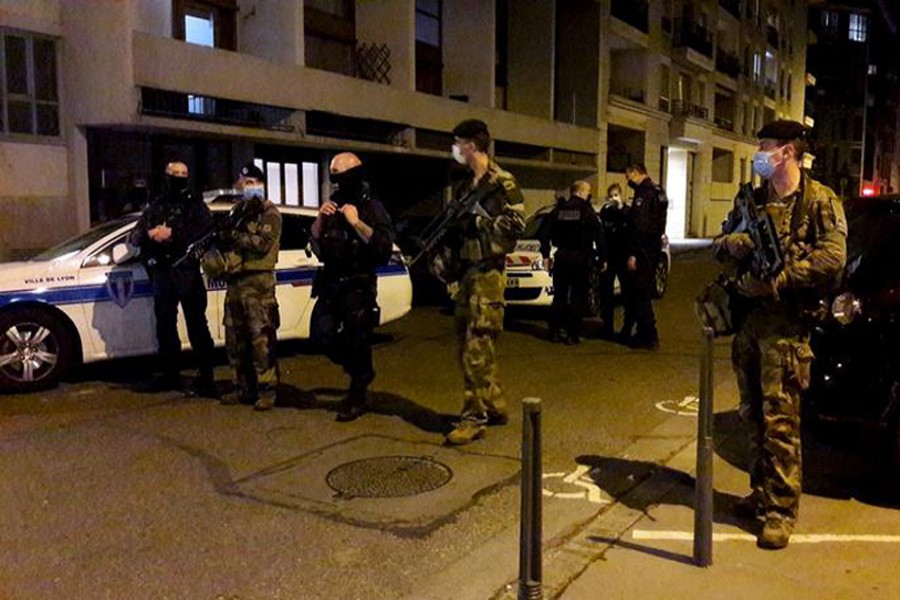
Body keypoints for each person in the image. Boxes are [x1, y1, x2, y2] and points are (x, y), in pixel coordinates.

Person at [714, 120, 846, 549]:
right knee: (751, 415)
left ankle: (781, 509)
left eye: (765, 146)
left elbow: (833, 257)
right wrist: (733, 244)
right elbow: (720, 242)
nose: (759, 153)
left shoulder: (819, 200)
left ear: (787, 151)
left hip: (787, 330)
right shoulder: (751, 200)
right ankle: (760, 492)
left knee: (780, 421)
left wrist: (783, 278)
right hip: (751, 325)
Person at [438, 119, 525, 445]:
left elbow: (516, 227)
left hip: (488, 278)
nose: (455, 151)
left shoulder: (502, 183)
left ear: (470, 146)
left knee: (476, 349)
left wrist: (475, 222)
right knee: (468, 348)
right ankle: (494, 402)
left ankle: (474, 418)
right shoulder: (467, 188)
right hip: (468, 277)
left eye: (457, 144)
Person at [310, 152, 395, 422]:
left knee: (358, 338)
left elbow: (384, 247)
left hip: (359, 283)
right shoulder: (333, 204)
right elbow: (315, 243)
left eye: (340, 176)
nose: (336, 183)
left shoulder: (372, 207)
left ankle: (357, 393)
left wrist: (357, 223)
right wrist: (319, 220)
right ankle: (361, 371)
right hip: (332, 281)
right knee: (322, 335)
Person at [130, 160, 217, 397]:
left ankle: (206, 378)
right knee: (165, 326)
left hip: (186, 272)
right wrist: (150, 233)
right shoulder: (157, 205)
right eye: (174, 174)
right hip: (163, 273)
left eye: (182, 174)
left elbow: (205, 232)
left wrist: (173, 234)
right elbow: (135, 235)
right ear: (166, 176)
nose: (178, 178)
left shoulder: (195, 205)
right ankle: (170, 375)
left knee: (197, 326)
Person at [217, 164, 282, 411]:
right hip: (236, 280)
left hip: (258, 284)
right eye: (242, 182)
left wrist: (235, 236)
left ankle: (267, 389)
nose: (242, 186)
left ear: (258, 184)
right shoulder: (238, 211)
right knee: (235, 338)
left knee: (260, 339)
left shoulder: (269, 213)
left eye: (247, 182)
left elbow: (263, 243)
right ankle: (242, 387)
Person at [540, 180, 605, 344]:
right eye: (588, 191)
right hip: (580, 259)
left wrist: (546, 255)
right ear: (581, 191)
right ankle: (572, 334)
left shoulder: (559, 209)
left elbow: (544, 233)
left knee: (559, 296)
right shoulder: (586, 210)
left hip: (561, 257)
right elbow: (599, 234)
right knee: (578, 297)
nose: (588, 194)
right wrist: (603, 257)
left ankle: (553, 332)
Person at [623, 163, 668, 350]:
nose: (627, 181)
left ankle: (649, 336)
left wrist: (633, 253)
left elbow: (639, 227)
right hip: (654, 247)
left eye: (628, 176)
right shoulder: (659, 191)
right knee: (644, 292)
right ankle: (644, 333)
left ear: (636, 172)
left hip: (643, 250)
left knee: (641, 294)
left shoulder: (643, 193)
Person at [598, 183, 632, 339]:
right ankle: (607, 326)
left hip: (624, 257)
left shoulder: (628, 212)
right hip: (610, 257)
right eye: (610, 196)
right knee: (606, 293)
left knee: (627, 294)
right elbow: (602, 235)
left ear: (621, 195)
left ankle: (627, 327)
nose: (613, 199)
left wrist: (620, 208)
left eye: (615, 195)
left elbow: (633, 235)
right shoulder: (605, 212)